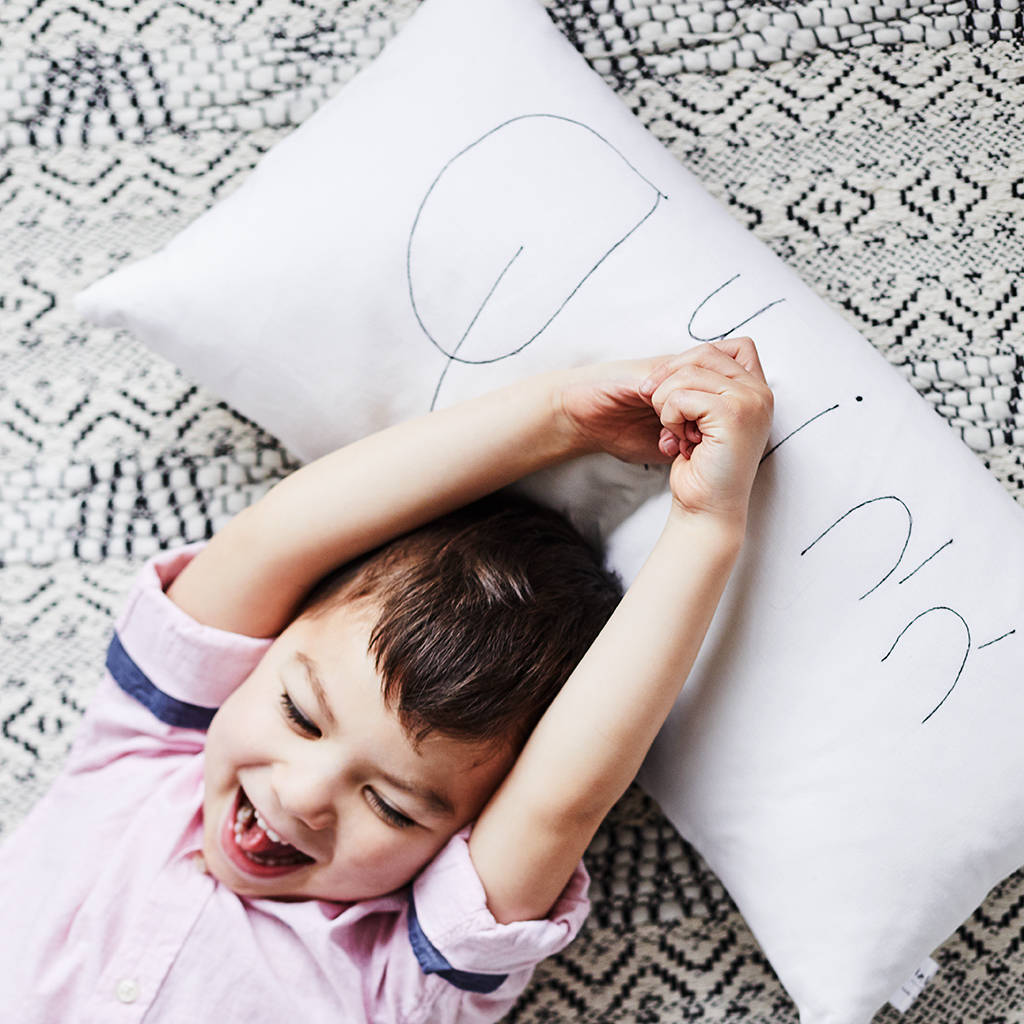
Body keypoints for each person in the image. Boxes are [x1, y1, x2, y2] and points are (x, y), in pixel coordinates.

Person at [0, 337, 773, 1023]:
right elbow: (273, 540)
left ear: (460, 838)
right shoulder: (142, 753)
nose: (302, 797)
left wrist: (707, 524)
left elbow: (559, 803)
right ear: (264, 648)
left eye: (390, 806)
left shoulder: (404, 979)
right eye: (300, 716)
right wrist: (558, 415)